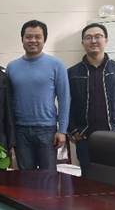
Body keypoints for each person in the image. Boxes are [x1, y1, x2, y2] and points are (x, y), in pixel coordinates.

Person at [67, 23, 115, 170]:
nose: (93, 41)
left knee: (114, 177)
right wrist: (73, 130)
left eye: (98, 36)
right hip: (85, 138)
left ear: (106, 40)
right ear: (83, 43)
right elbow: (67, 104)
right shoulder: (72, 73)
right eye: (88, 37)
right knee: (88, 178)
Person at [7, 20, 70, 171]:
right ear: (22, 39)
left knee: (48, 176)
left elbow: (64, 99)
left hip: (47, 130)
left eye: (37, 37)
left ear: (44, 39)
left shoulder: (56, 65)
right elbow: (8, 101)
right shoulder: (12, 67)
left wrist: (62, 130)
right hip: (20, 130)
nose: (33, 40)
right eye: (28, 37)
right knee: (25, 177)